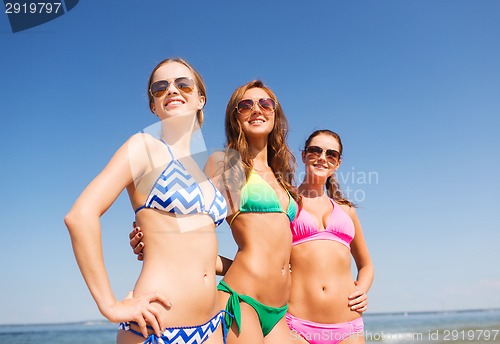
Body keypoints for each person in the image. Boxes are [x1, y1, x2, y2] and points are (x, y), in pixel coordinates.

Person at [65, 57, 230, 344]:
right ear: (153, 105)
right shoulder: (144, 147)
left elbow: (199, 256)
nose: (172, 90)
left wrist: (251, 268)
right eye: (160, 87)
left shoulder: (208, 168)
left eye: (183, 84)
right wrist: (109, 304)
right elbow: (80, 215)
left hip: (212, 326)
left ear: (201, 99)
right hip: (158, 329)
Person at [286, 129, 374, 344]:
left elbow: (366, 265)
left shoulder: (346, 211)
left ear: (338, 163)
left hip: (348, 327)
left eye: (331, 154)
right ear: (304, 155)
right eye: (315, 150)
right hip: (296, 325)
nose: (322, 158)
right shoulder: (286, 202)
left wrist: (361, 291)